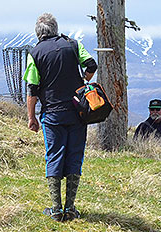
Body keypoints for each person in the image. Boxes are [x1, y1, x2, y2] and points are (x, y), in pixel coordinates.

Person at [23, 13, 97, 222]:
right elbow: (91, 65)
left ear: (38, 33)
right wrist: (84, 80)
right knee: (75, 156)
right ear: (56, 29)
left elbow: (32, 89)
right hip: (78, 113)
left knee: (54, 156)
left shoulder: (35, 53)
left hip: (52, 114)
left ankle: (56, 210)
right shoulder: (73, 45)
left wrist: (31, 117)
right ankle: (71, 208)